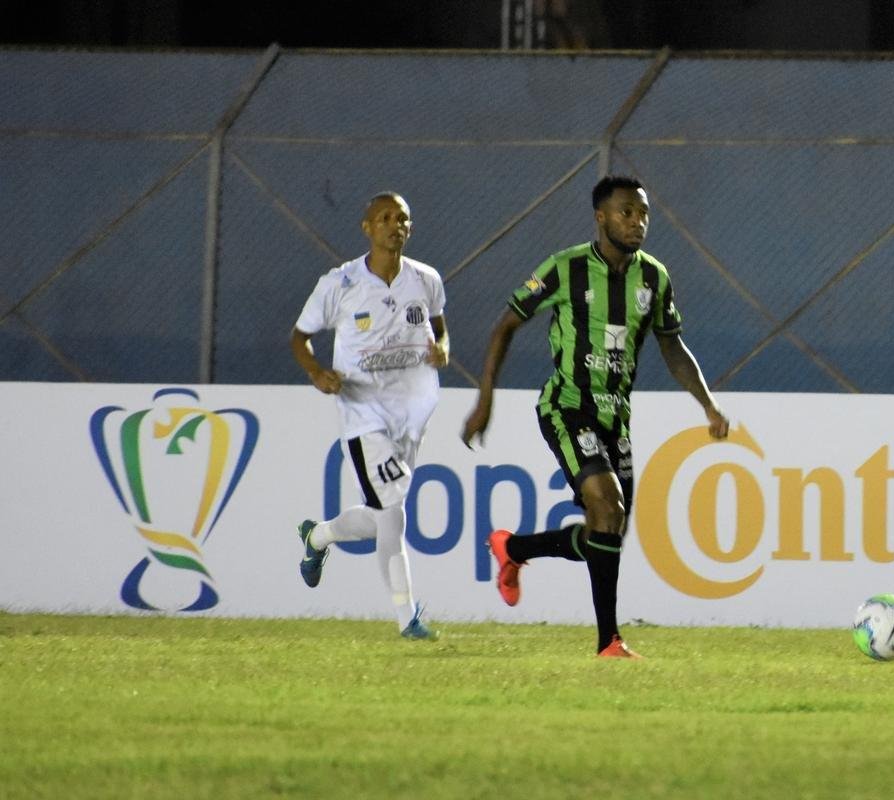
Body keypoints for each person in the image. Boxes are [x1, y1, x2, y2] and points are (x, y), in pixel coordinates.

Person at [461, 175, 730, 658]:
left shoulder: (654, 277)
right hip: (567, 406)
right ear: (601, 217)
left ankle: (513, 549)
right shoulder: (565, 268)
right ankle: (609, 641)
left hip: (615, 418)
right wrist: (486, 400)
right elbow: (505, 326)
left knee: (605, 530)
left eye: (643, 213)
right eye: (626, 212)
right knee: (609, 506)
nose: (637, 221)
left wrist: (707, 404)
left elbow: (672, 346)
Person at [290, 191, 449, 641]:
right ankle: (408, 619)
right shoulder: (340, 283)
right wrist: (317, 372)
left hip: (411, 413)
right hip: (363, 413)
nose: (395, 225)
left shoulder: (426, 279)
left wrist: (443, 347)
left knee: (382, 514)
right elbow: (299, 338)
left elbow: (439, 325)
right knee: (393, 513)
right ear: (367, 227)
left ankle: (318, 536)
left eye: (403, 218)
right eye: (385, 218)